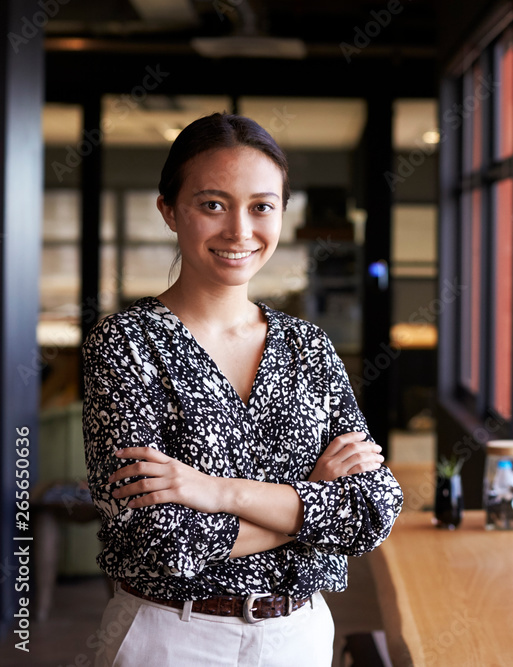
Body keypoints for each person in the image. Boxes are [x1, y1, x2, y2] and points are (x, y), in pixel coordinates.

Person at [81, 113, 403, 667]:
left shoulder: (308, 346)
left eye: (261, 206)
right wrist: (310, 496)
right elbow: (159, 544)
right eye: (212, 204)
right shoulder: (125, 343)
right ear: (169, 210)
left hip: (297, 635)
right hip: (171, 635)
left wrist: (211, 491)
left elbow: (373, 508)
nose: (239, 230)